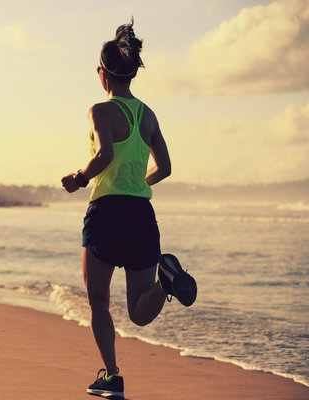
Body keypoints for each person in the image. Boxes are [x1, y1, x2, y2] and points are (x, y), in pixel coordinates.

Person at [61, 18, 197, 399]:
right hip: (140, 215)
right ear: (132, 73)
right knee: (139, 311)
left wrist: (79, 177)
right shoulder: (148, 115)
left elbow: (104, 154)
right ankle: (167, 281)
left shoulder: (99, 111)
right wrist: (139, 184)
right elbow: (165, 168)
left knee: (98, 301)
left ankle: (113, 376)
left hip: (106, 213)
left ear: (102, 75)